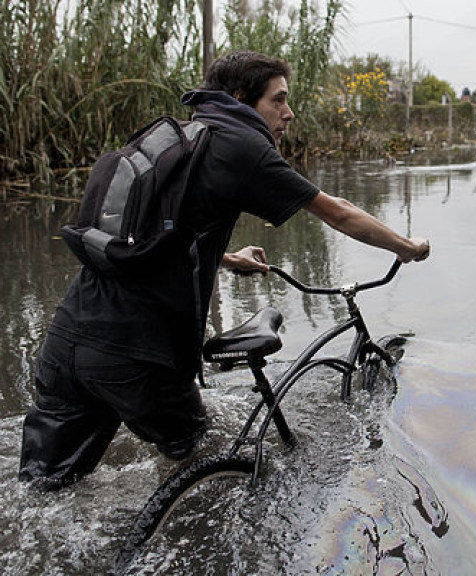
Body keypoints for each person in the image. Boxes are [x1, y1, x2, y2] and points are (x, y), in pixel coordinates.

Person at [19, 51, 430, 490]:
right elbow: (338, 212)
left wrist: (229, 258)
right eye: (279, 100)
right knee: (204, 460)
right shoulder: (242, 146)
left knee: (44, 488)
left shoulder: (183, 138)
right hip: (139, 355)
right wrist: (407, 248)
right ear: (240, 98)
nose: (289, 114)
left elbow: (150, 238)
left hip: (69, 337)